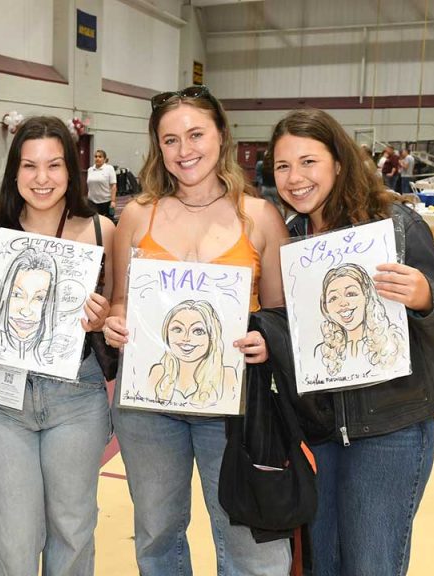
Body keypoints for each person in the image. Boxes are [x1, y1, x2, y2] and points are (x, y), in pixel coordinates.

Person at [269, 107, 434, 576]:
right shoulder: (289, 237)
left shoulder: (395, 225)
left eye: (308, 162)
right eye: (283, 166)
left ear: (338, 162)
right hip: (318, 433)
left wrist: (424, 298)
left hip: (390, 433)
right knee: (322, 565)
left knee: (371, 566)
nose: (295, 178)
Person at [102, 85, 292, 574]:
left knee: (247, 540)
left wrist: (264, 339)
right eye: (170, 140)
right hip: (149, 405)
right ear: (157, 148)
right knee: (158, 533)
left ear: (221, 135)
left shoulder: (261, 217)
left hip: (233, 406)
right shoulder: (137, 216)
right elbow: (120, 302)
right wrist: (116, 325)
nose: (184, 151)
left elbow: (282, 317)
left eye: (195, 135)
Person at [0, 115, 114, 576]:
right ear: (15, 172)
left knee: (73, 528)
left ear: (72, 171)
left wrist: (104, 317)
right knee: (13, 534)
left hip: (77, 396)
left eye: (54, 165)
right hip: (2, 398)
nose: (42, 178)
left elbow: (120, 313)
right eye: (30, 166)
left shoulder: (101, 232)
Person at [316, 263, 406, 377]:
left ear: (367, 296)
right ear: (325, 307)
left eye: (351, 294)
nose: (343, 303)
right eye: (333, 298)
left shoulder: (394, 343)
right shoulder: (321, 352)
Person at [148, 299, 236, 408]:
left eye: (198, 331)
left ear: (212, 337)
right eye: (177, 329)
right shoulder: (158, 373)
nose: (186, 338)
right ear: (166, 333)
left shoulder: (227, 375)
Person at [86, 149, 117, 218]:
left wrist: (113, 201)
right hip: (92, 202)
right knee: (92, 223)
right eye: (96, 156)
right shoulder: (90, 170)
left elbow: (113, 186)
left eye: (100, 157)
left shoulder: (109, 168)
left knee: (106, 223)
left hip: (105, 202)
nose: (97, 158)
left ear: (105, 159)